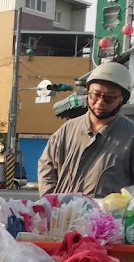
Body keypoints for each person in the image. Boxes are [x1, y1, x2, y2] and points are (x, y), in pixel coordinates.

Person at [38, 62, 134, 197]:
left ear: (122, 99)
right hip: (63, 215)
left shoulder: (130, 136)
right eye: (95, 95)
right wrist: (50, 201)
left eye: (109, 98)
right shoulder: (67, 130)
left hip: (108, 217)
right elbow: (46, 166)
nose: (100, 102)